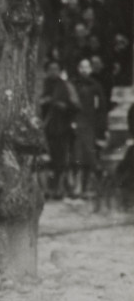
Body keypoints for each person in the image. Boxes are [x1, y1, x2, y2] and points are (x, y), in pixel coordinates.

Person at [39, 60, 79, 200]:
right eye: (50, 69)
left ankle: (59, 189)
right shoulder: (42, 85)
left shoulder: (66, 86)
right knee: (45, 161)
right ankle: (46, 190)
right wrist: (44, 102)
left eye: (56, 69)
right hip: (46, 128)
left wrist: (64, 106)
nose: (53, 71)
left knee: (61, 161)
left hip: (63, 128)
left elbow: (76, 106)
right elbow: (36, 102)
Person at [71, 58, 107, 197]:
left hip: (91, 125)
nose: (84, 70)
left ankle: (88, 187)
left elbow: (101, 108)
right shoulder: (73, 85)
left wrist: (101, 127)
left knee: (89, 155)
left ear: (91, 69)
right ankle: (77, 186)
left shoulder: (96, 86)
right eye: (81, 67)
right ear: (78, 69)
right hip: (76, 124)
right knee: (76, 155)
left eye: (87, 67)